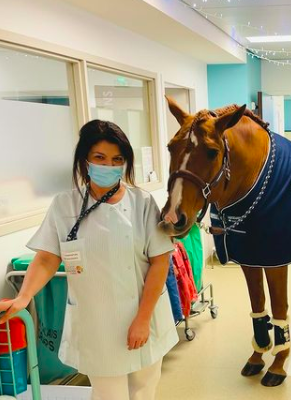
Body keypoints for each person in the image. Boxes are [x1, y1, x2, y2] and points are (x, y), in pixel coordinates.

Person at [0, 120, 178, 400]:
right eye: (100, 158)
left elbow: (160, 262)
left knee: (144, 389)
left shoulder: (142, 203)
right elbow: (47, 258)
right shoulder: (65, 205)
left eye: (117, 159)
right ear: (85, 160)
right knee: (108, 393)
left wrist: (142, 320)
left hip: (144, 314)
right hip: (96, 321)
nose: (108, 166)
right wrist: (23, 297)